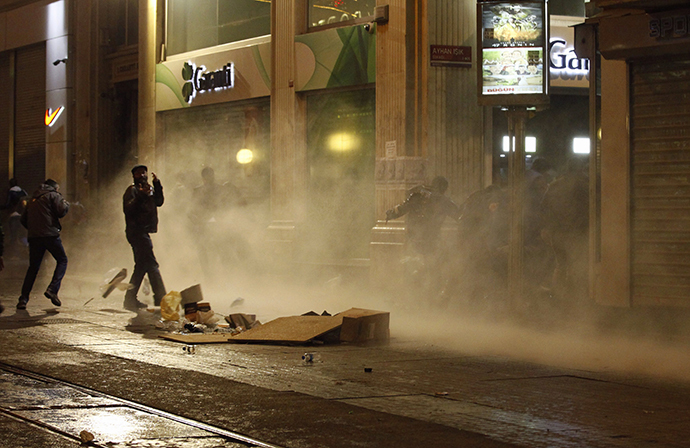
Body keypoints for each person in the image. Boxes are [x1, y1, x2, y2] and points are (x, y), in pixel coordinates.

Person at [385, 176, 461, 301]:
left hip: (414, 239)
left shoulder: (418, 195)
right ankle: (430, 296)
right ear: (444, 188)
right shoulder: (443, 200)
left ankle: (411, 295)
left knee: (415, 266)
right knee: (433, 268)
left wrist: (390, 214)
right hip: (431, 239)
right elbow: (459, 215)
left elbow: (401, 208)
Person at [541, 157, 589, 305]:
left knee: (561, 264)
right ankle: (576, 299)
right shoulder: (583, 185)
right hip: (575, 232)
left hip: (556, 233)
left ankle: (559, 296)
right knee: (577, 265)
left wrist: (546, 229)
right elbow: (589, 208)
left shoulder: (555, 185)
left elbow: (544, 208)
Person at [16, 179, 70, 310]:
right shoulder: (53, 195)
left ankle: (23, 299)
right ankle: (52, 289)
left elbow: (23, 219)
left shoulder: (32, 199)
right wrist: (66, 204)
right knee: (62, 260)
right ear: (54, 188)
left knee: (33, 267)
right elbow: (61, 211)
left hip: (34, 237)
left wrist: (34, 229)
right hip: (50, 235)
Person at [123, 165, 166, 311]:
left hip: (144, 231)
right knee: (152, 265)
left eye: (144, 172)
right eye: (138, 173)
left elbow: (159, 201)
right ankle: (161, 298)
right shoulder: (132, 190)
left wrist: (157, 185)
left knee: (141, 267)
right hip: (136, 232)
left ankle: (129, 299)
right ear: (133, 175)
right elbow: (128, 209)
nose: (142, 174)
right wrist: (141, 195)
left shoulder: (149, 189)